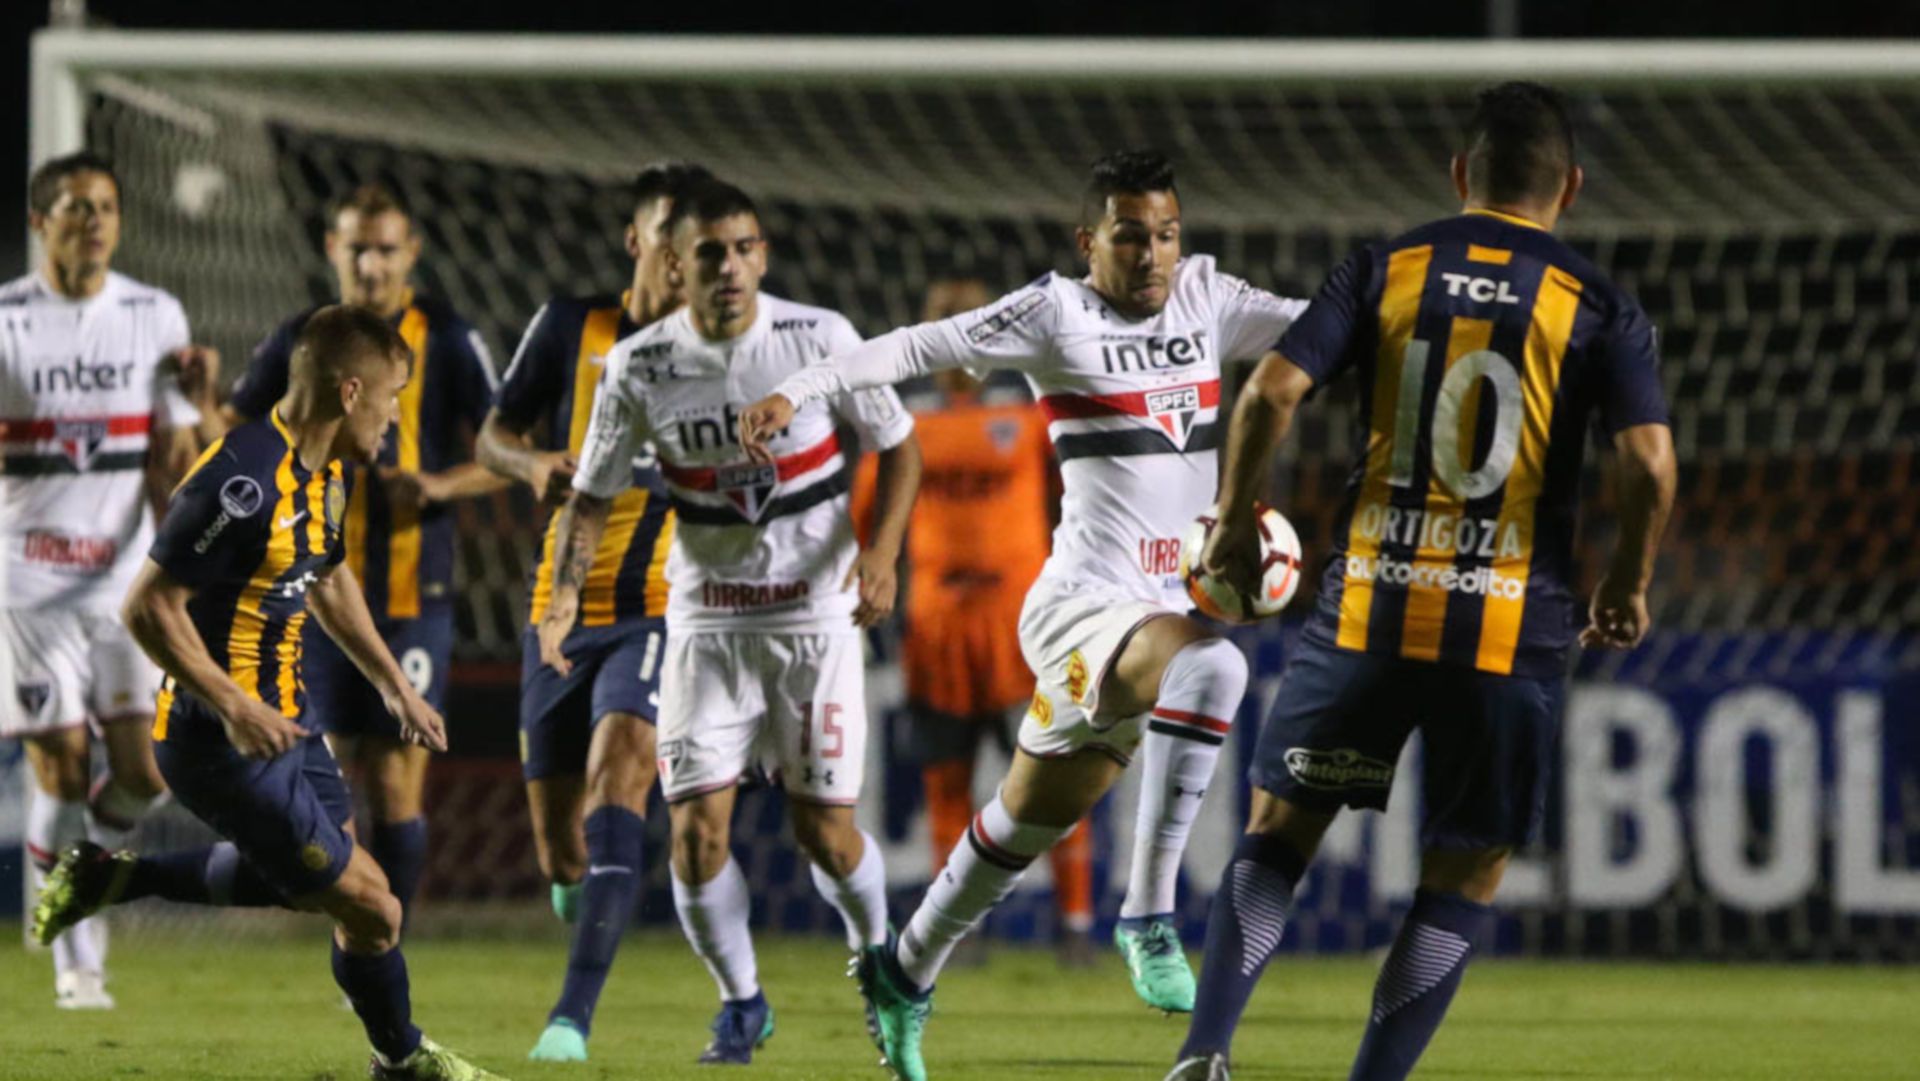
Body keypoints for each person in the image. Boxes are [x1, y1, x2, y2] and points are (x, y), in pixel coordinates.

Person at [740, 149, 1309, 1081]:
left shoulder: (1209, 295)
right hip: (1084, 605)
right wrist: (799, 390)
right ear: (1091, 243)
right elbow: (918, 347)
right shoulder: (1056, 311)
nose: (1155, 254)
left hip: (1159, 614)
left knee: (1022, 821)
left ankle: (904, 970)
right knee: (1218, 667)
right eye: (1132, 236)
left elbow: (1327, 329)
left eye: (1167, 233)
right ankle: (1149, 914)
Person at [1164, 82, 1678, 1081]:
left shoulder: (1385, 267)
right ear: (1569, 188)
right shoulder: (1598, 302)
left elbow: (1272, 391)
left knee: (1279, 834)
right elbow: (1650, 465)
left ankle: (1206, 1049)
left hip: (1369, 611)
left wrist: (1233, 518)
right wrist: (1628, 578)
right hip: (1510, 631)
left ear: (1459, 175)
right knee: (1463, 874)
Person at [32, 305, 508, 1081]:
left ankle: (114, 875)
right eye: (390, 400)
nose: (393, 419)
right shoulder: (241, 479)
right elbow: (148, 606)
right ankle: (402, 1060)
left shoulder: (324, 475)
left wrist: (393, 685)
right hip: (219, 738)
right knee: (373, 908)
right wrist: (232, 703)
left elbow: (324, 572)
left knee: (341, 892)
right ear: (351, 391)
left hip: (288, 721)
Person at [544, 178, 923, 1065]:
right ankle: (742, 1002)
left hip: (815, 623)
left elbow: (900, 445)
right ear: (673, 262)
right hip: (707, 628)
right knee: (692, 835)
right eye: (710, 251)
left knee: (824, 836)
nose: (731, 265)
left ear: (764, 254)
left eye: (745, 247)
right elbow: (592, 498)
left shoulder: (818, 338)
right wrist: (564, 593)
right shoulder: (638, 366)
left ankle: (879, 960)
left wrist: (883, 552)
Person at [476, 160, 711, 1062]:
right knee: (559, 854)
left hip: (661, 605)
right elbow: (492, 433)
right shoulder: (570, 326)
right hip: (561, 605)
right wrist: (529, 464)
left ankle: (570, 1018)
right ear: (636, 242)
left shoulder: (721, 353)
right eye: (669, 243)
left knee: (623, 774)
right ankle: (584, 889)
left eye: (700, 250)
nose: (686, 263)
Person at [226, 184, 503, 925]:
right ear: (332, 249)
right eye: (357, 247)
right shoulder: (302, 338)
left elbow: (503, 449)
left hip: (411, 594)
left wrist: (440, 485)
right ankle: (350, 916)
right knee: (314, 787)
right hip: (309, 591)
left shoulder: (444, 336)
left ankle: (388, 932)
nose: (372, 264)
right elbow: (236, 430)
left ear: (410, 252)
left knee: (395, 779)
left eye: (386, 249)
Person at [1, 150, 222, 1009]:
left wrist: (201, 405)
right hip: (30, 583)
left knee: (142, 774)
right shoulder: (11, 322)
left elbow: (177, 457)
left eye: (104, 207)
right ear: (39, 222)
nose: (92, 221)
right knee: (58, 764)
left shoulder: (153, 314)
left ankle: (73, 864)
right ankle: (74, 955)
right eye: (74, 207)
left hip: (122, 583)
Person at [851, 277, 1096, 967]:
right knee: (947, 785)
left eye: (969, 320)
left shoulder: (1031, 405)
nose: (958, 334)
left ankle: (1075, 922)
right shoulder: (900, 420)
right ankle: (955, 930)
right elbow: (861, 521)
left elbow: (1087, 493)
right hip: (936, 632)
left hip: (1027, 629)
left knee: (1056, 778)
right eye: (944, 320)